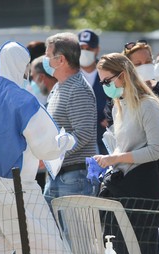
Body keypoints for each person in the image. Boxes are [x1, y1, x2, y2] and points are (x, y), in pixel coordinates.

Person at [0, 41, 73, 254]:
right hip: (17, 188)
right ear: (24, 65)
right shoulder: (22, 99)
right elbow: (48, 147)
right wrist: (67, 141)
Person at [94, 52, 159, 254]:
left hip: (143, 189)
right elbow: (123, 146)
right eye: (101, 82)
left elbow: (156, 150)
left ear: (123, 75)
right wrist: (108, 161)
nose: (105, 86)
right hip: (124, 188)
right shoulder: (120, 105)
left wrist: (115, 159)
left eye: (107, 80)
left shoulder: (148, 105)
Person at [42, 32, 99, 210]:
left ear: (61, 60)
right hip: (58, 174)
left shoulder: (78, 89)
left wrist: (54, 153)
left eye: (48, 55)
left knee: (76, 236)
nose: (45, 59)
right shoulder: (59, 87)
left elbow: (83, 133)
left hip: (75, 176)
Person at [122, 40, 159, 183]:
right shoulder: (120, 95)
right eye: (138, 64)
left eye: (148, 62)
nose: (144, 67)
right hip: (131, 166)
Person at [78, 29, 110, 155]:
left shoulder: (108, 72)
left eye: (89, 48)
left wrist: (113, 117)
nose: (84, 51)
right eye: (81, 47)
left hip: (105, 138)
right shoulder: (70, 74)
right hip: (79, 142)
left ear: (97, 49)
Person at [30, 55, 58, 191]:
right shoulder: (52, 97)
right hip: (54, 170)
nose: (32, 81)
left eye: (33, 76)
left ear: (41, 77)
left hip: (65, 171)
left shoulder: (59, 96)